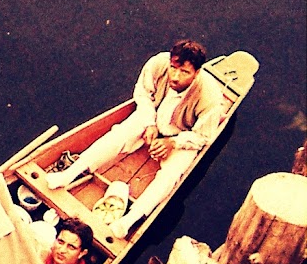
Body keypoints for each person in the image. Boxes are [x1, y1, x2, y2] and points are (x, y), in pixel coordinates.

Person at [45, 39, 226, 233]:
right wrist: (149, 122)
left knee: (171, 175)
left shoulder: (210, 96)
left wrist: (173, 142)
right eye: (173, 68)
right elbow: (142, 94)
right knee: (119, 134)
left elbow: (203, 137)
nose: (175, 76)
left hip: (181, 137)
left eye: (184, 72)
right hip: (152, 117)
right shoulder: (158, 63)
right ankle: (68, 175)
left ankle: (128, 221)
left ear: (197, 73)